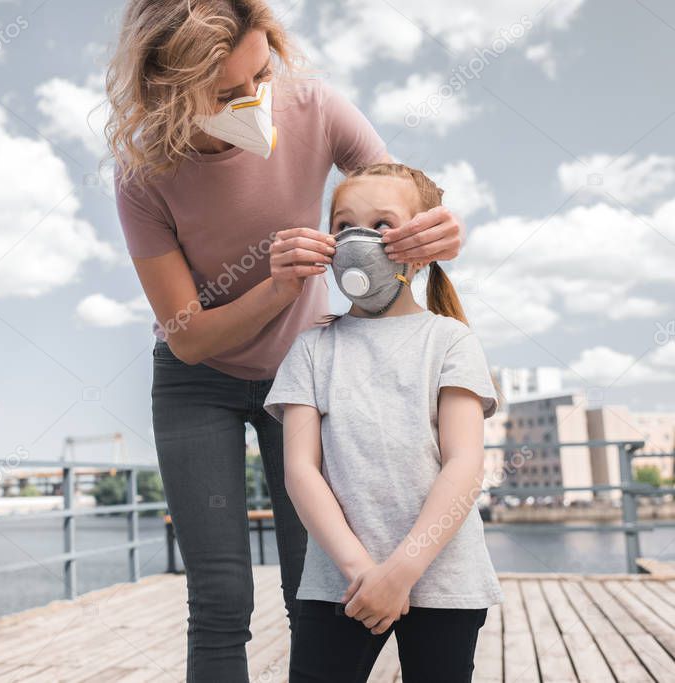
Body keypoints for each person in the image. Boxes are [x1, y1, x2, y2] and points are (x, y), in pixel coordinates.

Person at [106, 2, 466, 680]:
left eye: (261, 76)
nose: (254, 102)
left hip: (304, 375)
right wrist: (276, 286)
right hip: (196, 384)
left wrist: (439, 231)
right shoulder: (142, 176)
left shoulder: (316, 108)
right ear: (170, 92)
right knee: (218, 600)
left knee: (315, 590)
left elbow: (399, 199)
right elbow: (186, 338)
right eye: (225, 95)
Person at [262, 162, 503, 682]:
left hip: (444, 580)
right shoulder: (311, 349)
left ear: (422, 246)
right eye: (344, 224)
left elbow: (464, 463)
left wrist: (401, 572)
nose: (358, 240)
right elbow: (300, 471)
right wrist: (363, 573)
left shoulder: (450, 341)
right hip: (338, 584)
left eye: (381, 226)